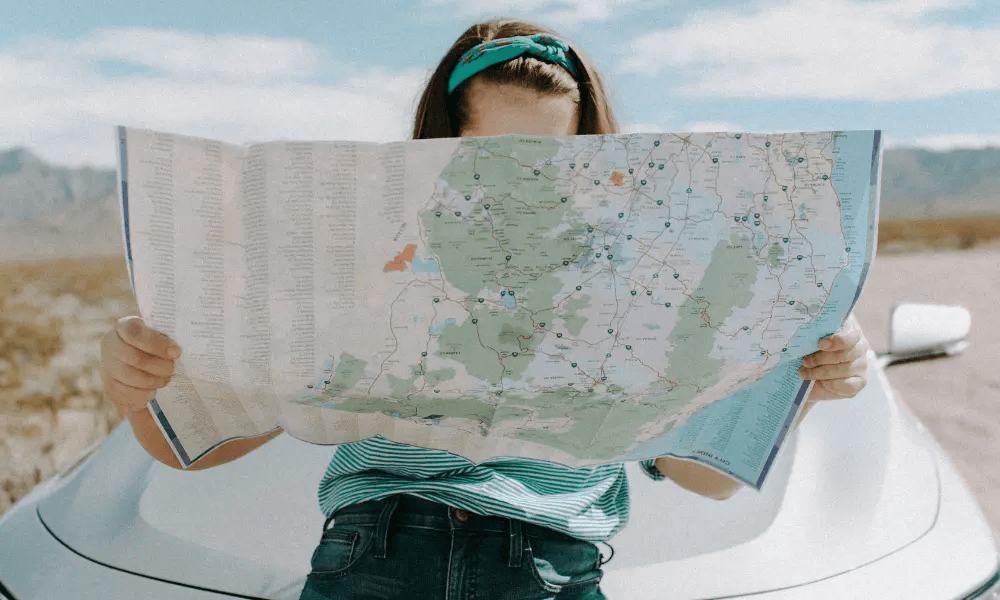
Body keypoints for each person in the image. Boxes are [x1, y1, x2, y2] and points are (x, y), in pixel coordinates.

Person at [99, 18, 872, 600]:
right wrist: (141, 387)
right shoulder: (371, 252)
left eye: (549, 160)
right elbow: (198, 446)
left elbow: (704, 479)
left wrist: (801, 381)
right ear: (439, 147)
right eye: (489, 158)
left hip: (551, 567)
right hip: (374, 554)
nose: (519, 184)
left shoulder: (645, 272)